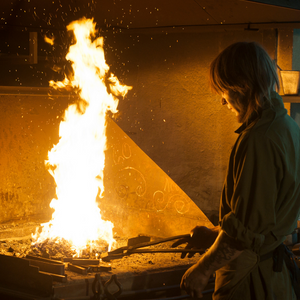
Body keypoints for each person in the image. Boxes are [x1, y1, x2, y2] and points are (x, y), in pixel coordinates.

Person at [174, 42, 300, 299]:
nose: (222, 100)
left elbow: (246, 234)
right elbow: (261, 215)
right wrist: (215, 235)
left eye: (223, 91)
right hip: (272, 276)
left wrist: (202, 269)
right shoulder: (285, 125)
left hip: (252, 279)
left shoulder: (259, 139)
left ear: (241, 86)